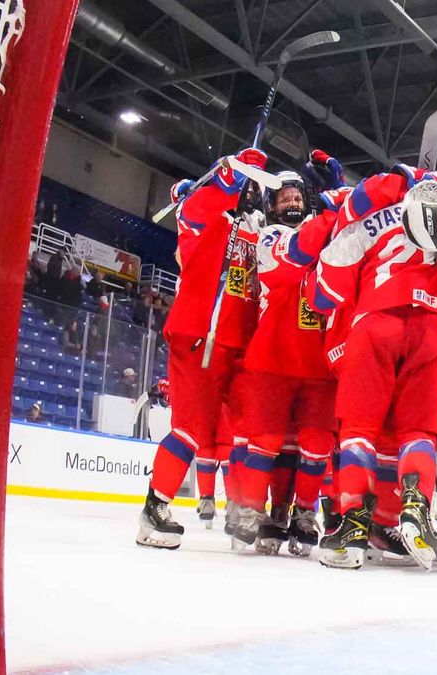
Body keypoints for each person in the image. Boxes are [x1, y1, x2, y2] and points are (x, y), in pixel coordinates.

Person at [308, 164, 437, 570]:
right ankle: (415, 509)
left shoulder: (370, 220)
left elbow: (323, 293)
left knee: (359, 430)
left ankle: (352, 529)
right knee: (418, 433)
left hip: (374, 323)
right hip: (432, 330)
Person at [135, 147, 267, 550]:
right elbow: (198, 207)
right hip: (200, 337)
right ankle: (155, 509)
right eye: (246, 185)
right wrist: (230, 174)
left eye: (255, 187)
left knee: (250, 431)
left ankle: (243, 508)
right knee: (191, 428)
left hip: (238, 345)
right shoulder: (204, 217)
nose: (250, 192)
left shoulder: (257, 230)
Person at [229, 169, 340, 557]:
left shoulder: (324, 232)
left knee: (316, 444)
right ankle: (254, 510)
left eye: (297, 197)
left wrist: (335, 199)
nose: (292, 202)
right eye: (284, 198)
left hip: (319, 363)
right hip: (273, 357)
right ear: (272, 206)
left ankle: (304, 513)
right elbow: (297, 256)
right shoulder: (269, 237)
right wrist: (331, 209)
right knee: (265, 441)